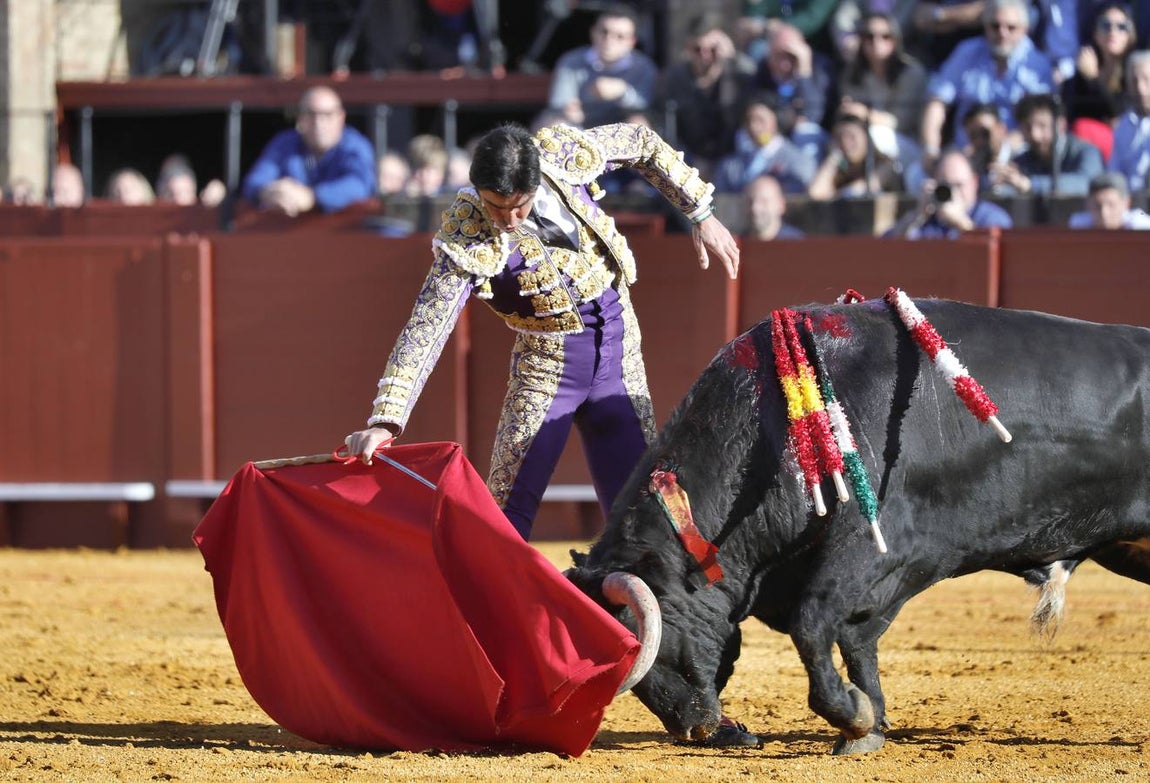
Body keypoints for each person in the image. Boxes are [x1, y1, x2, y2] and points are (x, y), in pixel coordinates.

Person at [343, 121, 740, 550]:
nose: (510, 219)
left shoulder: (561, 154)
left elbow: (640, 141)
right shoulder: (467, 234)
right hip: (548, 369)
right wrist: (386, 419)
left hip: (620, 351)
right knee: (506, 515)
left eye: (521, 205)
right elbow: (427, 324)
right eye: (497, 207)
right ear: (478, 190)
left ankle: (701, 606)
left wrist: (701, 212)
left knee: (652, 508)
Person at [921, 0, 1054, 168]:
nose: (1002, 33)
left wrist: (1002, 149)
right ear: (985, 26)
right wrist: (931, 148)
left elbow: (1040, 121)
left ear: (1024, 30)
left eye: (1011, 27)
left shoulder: (1038, 64)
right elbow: (937, 102)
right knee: (918, 176)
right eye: (995, 26)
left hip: (1017, 155)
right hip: (965, 152)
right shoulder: (966, 53)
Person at [241, 86, 376, 216]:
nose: (319, 123)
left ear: (341, 117)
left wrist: (311, 197)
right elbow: (255, 181)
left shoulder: (355, 146)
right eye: (311, 114)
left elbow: (359, 186)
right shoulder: (284, 143)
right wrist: (269, 193)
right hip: (286, 235)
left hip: (343, 235)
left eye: (327, 115)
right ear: (300, 117)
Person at [656, 12, 754, 177]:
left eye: (713, 50)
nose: (705, 56)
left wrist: (732, 60)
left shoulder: (738, 74)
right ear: (688, 48)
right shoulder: (674, 78)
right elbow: (666, 126)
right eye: (697, 49)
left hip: (732, 159)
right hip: (688, 159)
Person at [547, 5, 658, 129]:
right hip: (578, 126)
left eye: (620, 36)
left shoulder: (643, 66)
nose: (609, 40)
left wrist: (622, 92)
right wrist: (568, 110)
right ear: (593, 32)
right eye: (604, 32)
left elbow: (646, 105)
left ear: (631, 42)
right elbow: (559, 102)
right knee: (554, 126)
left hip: (622, 129)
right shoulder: (571, 61)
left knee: (639, 124)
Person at [1062, 2, 1139, 162]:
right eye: (1105, 25)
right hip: (1084, 144)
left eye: (1121, 27)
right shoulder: (1084, 69)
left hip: (1124, 147)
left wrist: (1094, 79)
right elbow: (1071, 108)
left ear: (1130, 35)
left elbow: (1117, 111)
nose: (1112, 32)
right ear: (1095, 33)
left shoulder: (1134, 70)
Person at [837, 12, 929, 145]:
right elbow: (848, 115)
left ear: (896, 40)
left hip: (906, 143)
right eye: (870, 36)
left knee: (877, 135)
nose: (876, 42)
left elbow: (900, 122)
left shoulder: (911, 73)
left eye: (885, 36)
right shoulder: (852, 74)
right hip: (859, 138)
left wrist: (864, 113)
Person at [992, 92, 1105, 196]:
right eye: (1028, 127)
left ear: (1061, 124)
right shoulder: (1022, 161)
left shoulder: (1086, 152)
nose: (1035, 135)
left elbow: (1088, 184)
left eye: (1042, 126)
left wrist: (1031, 184)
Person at [886, 149, 1014, 238]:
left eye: (958, 185)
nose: (953, 192)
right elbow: (885, 250)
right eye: (946, 185)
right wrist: (917, 216)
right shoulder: (928, 218)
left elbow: (993, 252)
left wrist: (961, 223)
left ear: (974, 182)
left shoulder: (991, 217)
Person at [712, 93, 816, 194]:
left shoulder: (798, 161)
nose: (754, 127)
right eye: (749, 120)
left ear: (777, 120)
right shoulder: (731, 166)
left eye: (760, 120)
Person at [807, 113, 904, 200]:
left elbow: (858, 192)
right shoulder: (841, 169)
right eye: (839, 137)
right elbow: (815, 194)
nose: (845, 143)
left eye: (851, 137)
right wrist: (832, 159)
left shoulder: (885, 164)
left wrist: (835, 195)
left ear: (866, 138)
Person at [1106, 50, 1150, 192]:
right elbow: (1114, 173)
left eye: (1146, 79)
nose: (1140, 88)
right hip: (1131, 204)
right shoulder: (1123, 127)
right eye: (1134, 81)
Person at [1068, 171, 1150, 228]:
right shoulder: (1078, 226)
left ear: (1126, 203)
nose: (1104, 213)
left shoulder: (1141, 226)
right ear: (1087, 204)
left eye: (1111, 205)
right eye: (1097, 205)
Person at [743, 173, 805, 239]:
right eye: (750, 201)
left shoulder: (797, 243)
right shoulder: (736, 244)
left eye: (764, 201)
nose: (755, 208)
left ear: (781, 205)